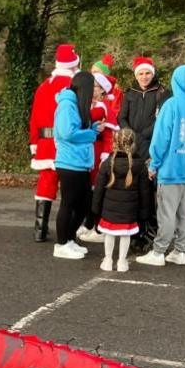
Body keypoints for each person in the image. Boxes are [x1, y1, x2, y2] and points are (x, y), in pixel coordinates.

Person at [136, 65, 185, 267]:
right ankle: (180, 250)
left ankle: (159, 251)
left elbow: (161, 138)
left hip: (170, 169)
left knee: (166, 212)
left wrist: (154, 162)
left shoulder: (171, 105)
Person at [29, 44, 81, 242]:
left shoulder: (43, 86)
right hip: (68, 142)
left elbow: (33, 118)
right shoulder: (75, 87)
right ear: (74, 65)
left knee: (46, 184)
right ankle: (69, 231)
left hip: (45, 142)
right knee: (71, 188)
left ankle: (39, 230)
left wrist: (34, 142)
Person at [51, 72, 104, 260]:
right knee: (68, 204)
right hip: (69, 162)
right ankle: (61, 243)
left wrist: (91, 128)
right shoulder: (67, 105)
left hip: (79, 163)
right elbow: (67, 133)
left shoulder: (75, 104)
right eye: (94, 87)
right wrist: (91, 133)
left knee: (83, 205)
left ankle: (70, 238)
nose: (96, 91)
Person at [92, 129, 152, 272]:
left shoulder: (107, 164)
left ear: (115, 143)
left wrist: (96, 209)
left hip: (109, 210)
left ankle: (107, 260)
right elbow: (145, 192)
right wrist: (144, 213)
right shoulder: (140, 165)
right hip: (129, 211)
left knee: (110, 234)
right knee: (125, 235)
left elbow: (99, 189)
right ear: (133, 145)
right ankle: (122, 261)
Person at [78, 72, 118, 243]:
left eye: (95, 86)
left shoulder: (103, 107)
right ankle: (88, 223)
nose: (92, 89)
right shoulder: (87, 104)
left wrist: (105, 155)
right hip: (87, 151)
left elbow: (110, 136)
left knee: (97, 191)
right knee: (87, 191)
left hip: (98, 153)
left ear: (103, 91)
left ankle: (97, 227)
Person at [119, 56, 171, 159]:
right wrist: (131, 135)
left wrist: (143, 135)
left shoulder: (162, 92)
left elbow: (163, 119)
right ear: (136, 76)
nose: (144, 77)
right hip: (131, 142)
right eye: (141, 74)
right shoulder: (130, 93)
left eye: (147, 73)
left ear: (153, 74)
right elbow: (122, 117)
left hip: (152, 142)